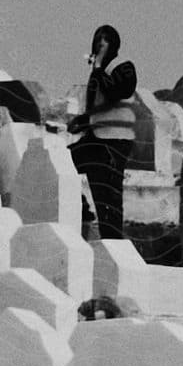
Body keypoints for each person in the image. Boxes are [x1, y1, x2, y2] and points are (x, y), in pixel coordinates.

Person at [67, 23, 137, 240]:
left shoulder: (124, 67)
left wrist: (98, 68)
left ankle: (112, 242)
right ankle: (84, 213)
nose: (99, 44)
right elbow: (100, 108)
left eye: (104, 40)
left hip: (115, 142)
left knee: (108, 196)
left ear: (113, 44)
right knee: (63, 165)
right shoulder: (99, 72)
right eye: (97, 40)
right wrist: (82, 121)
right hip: (97, 139)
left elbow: (115, 91)